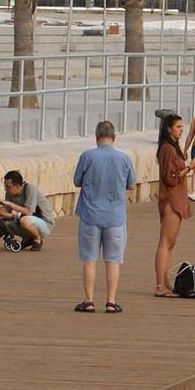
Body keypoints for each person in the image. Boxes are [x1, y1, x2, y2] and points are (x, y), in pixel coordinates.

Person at [72, 118, 136, 313]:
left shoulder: (87, 156)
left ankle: (89, 300)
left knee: (89, 259)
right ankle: (111, 301)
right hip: (115, 216)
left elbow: (77, 181)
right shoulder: (124, 158)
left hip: (90, 214)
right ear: (114, 137)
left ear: (96, 137)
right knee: (113, 260)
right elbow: (131, 184)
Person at [152, 112, 193, 296]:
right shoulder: (167, 149)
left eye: (182, 126)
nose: (181, 130)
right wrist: (189, 168)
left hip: (177, 198)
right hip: (171, 200)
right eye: (178, 127)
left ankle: (165, 281)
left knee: (171, 244)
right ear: (169, 129)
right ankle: (160, 285)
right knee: (165, 242)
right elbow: (170, 177)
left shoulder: (173, 148)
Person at [0, 169, 55, 248]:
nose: (6, 189)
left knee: (24, 220)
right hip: (27, 220)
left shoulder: (30, 189)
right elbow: (7, 209)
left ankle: (37, 239)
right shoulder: (9, 193)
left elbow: (29, 212)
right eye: (5, 186)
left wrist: (9, 203)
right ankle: (28, 238)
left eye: (8, 187)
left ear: (17, 186)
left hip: (44, 223)